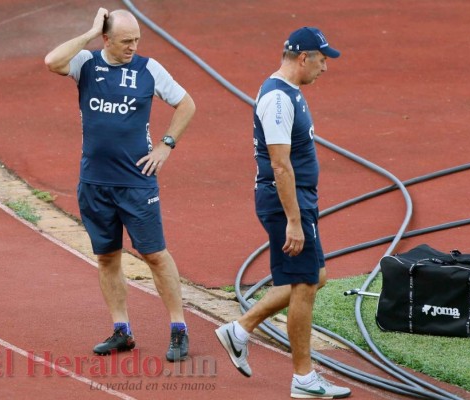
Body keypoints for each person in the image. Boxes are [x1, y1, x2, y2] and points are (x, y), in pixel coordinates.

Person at [44, 8, 195, 362]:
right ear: (106, 39)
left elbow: (186, 104)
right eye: (126, 41)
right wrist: (89, 32)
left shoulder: (148, 69)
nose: (134, 46)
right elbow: (52, 60)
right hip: (94, 182)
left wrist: (166, 145)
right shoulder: (85, 63)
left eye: (137, 39)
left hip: (136, 183)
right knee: (107, 257)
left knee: (155, 255)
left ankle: (178, 329)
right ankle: (121, 330)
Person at [215, 27, 351, 398]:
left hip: (297, 199)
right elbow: (280, 165)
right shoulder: (278, 99)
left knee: (315, 276)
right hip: (286, 202)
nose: (325, 67)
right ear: (304, 57)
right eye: (322, 60)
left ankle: (240, 329)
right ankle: (304, 379)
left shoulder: (288, 93)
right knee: (305, 284)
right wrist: (293, 219)